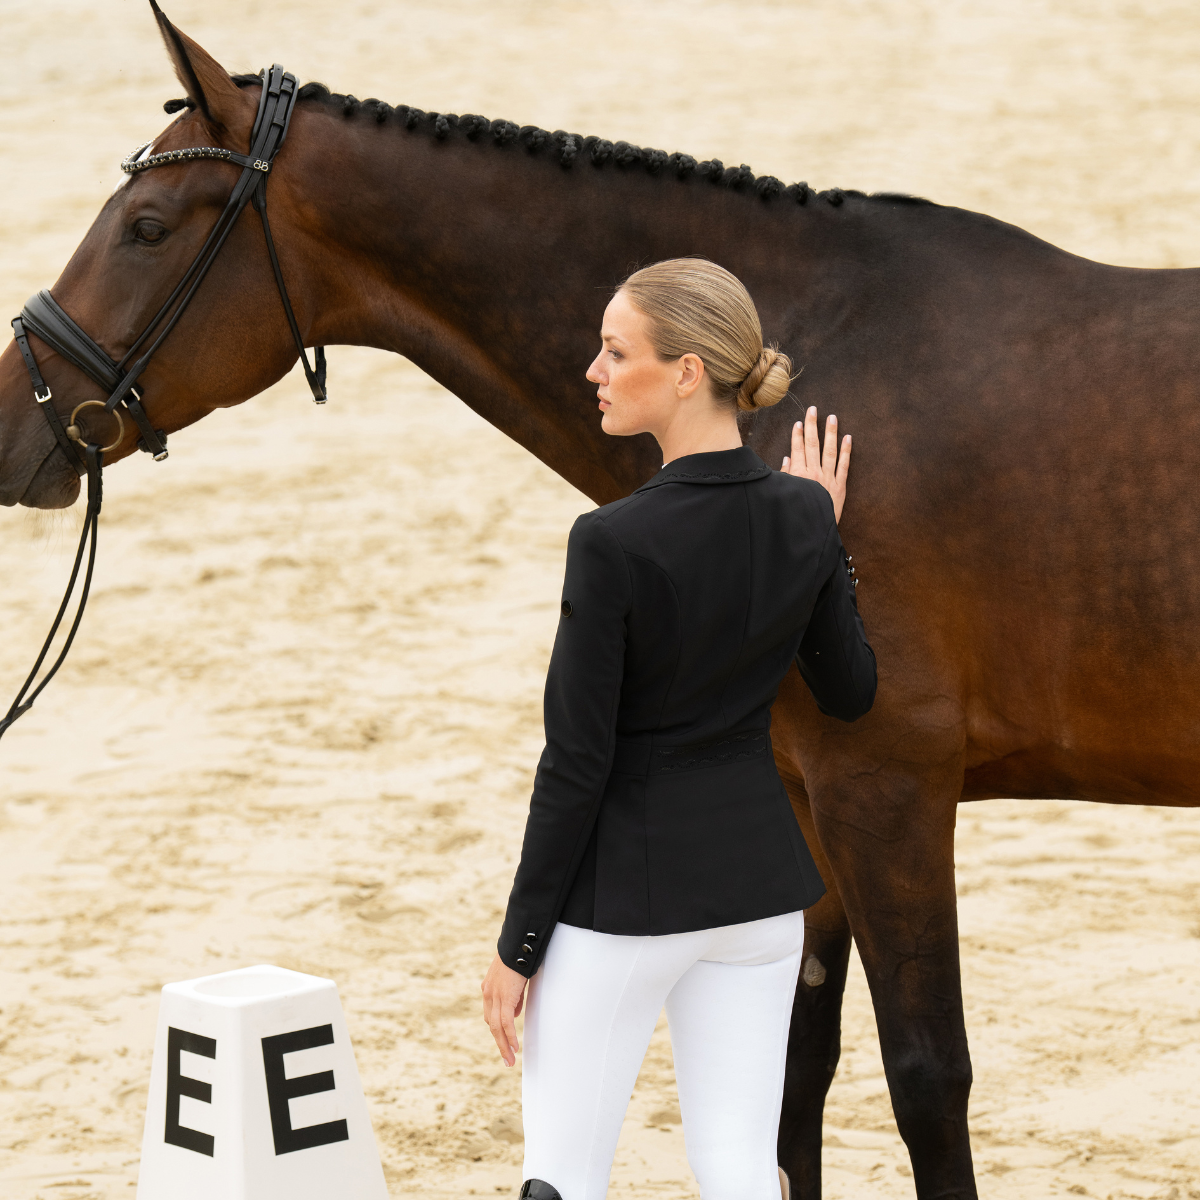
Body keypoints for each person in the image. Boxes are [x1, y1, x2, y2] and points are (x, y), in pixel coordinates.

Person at [480, 258, 876, 1200]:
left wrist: (517, 946)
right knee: (739, 1168)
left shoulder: (611, 541)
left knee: (562, 1177)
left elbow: (577, 762)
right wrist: (824, 538)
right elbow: (852, 691)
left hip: (627, 904)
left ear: (689, 371)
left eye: (617, 352)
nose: (595, 370)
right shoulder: (802, 515)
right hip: (761, 902)